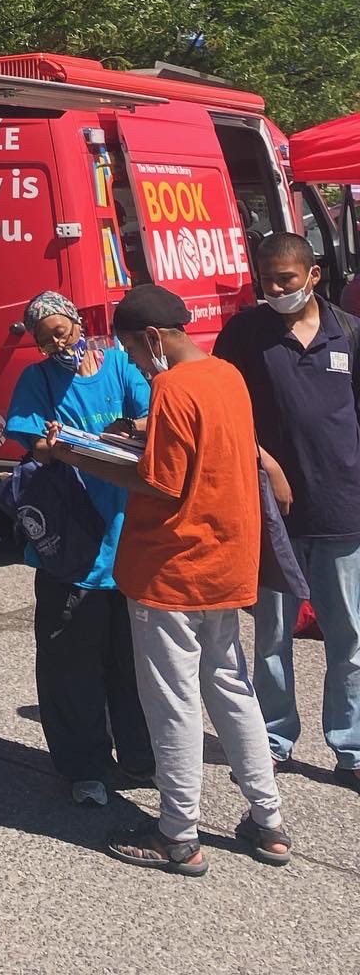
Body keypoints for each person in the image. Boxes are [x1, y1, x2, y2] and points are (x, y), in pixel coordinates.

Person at [45, 283, 293, 875]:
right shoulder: (227, 376)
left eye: (133, 350)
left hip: (171, 569)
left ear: (153, 338)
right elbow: (214, 454)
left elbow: (160, 483)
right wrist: (139, 435)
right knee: (231, 688)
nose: (132, 360)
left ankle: (177, 833)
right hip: (226, 562)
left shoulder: (172, 387)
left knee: (173, 701)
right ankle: (269, 820)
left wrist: (76, 455)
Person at [214, 231, 360, 783]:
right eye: (267, 280)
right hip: (271, 512)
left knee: (347, 637)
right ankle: (274, 738)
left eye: (286, 280)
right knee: (272, 635)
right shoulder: (246, 333)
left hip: (342, 509)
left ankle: (352, 746)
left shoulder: (348, 333)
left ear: (313, 276)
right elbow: (224, 410)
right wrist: (266, 466)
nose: (275, 290)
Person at [7, 290, 153, 807]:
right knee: (71, 665)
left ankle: (140, 759)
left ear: (75, 320)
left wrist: (120, 430)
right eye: (44, 339)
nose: (55, 344)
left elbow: (149, 416)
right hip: (71, 545)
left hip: (127, 539)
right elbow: (31, 441)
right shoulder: (38, 379)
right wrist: (56, 445)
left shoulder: (118, 365)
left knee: (132, 665)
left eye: (60, 331)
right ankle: (84, 766)